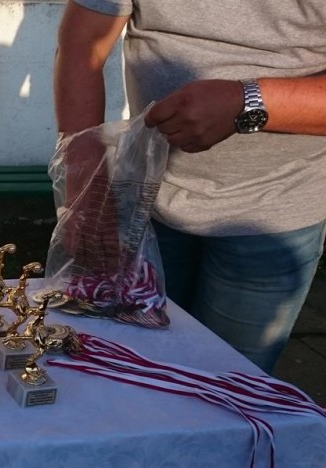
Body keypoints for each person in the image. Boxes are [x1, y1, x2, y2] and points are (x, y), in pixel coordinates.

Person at [53, 0, 326, 373]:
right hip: (145, 205)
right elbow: (82, 45)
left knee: (230, 385)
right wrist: (87, 185)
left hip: (276, 213)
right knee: (130, 373)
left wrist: (246, 102)